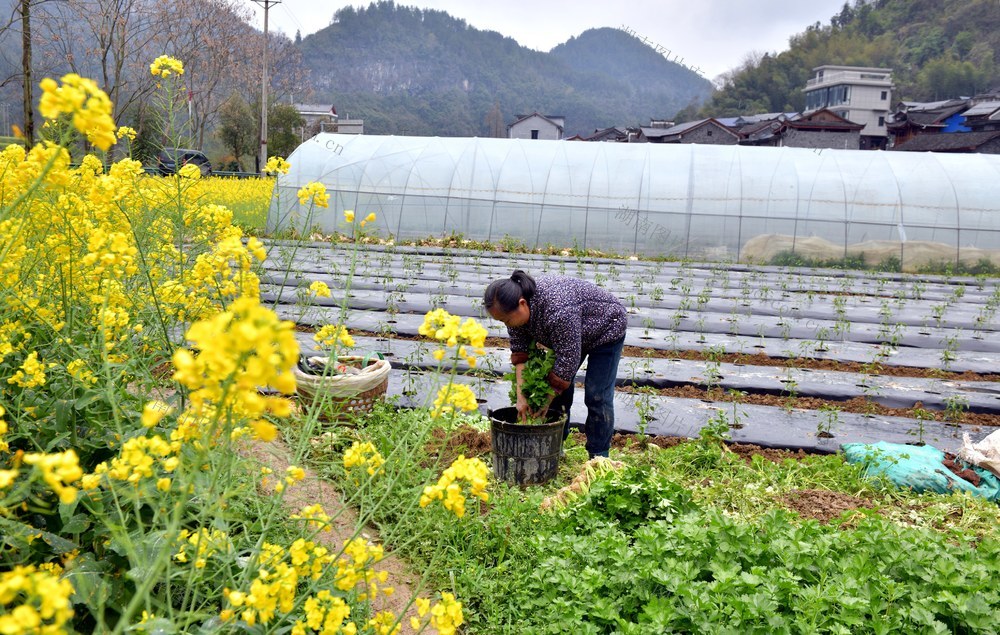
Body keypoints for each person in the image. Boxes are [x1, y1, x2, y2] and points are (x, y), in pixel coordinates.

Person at [484, 270, 628, 458]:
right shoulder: (516, 314)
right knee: (560, 393)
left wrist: (547, 400)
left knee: (597, 395)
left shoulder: (557, 310)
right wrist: (521, 396)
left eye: (506, 320)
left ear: (522, 304)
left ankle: (599, 455)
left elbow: (568, 359)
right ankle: (555, 447)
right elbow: (520, 353)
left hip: (606, 327)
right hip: (574, 331)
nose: (507, 324)